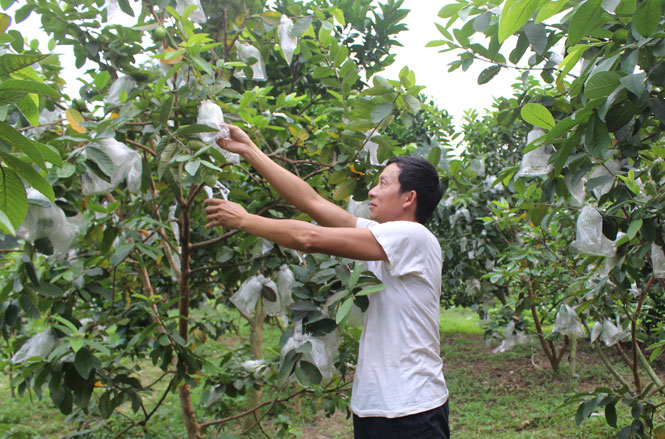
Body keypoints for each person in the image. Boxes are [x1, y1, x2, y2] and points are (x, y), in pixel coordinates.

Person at [204, 124, 450, 439]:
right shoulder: (384, 237)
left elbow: (310, 237)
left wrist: (245, 220)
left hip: (412, 411)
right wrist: (251, 150)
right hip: (376, 407)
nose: (372, 191)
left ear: (409, 197)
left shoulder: (412, 236)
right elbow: (314, 204)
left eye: (383, 183)